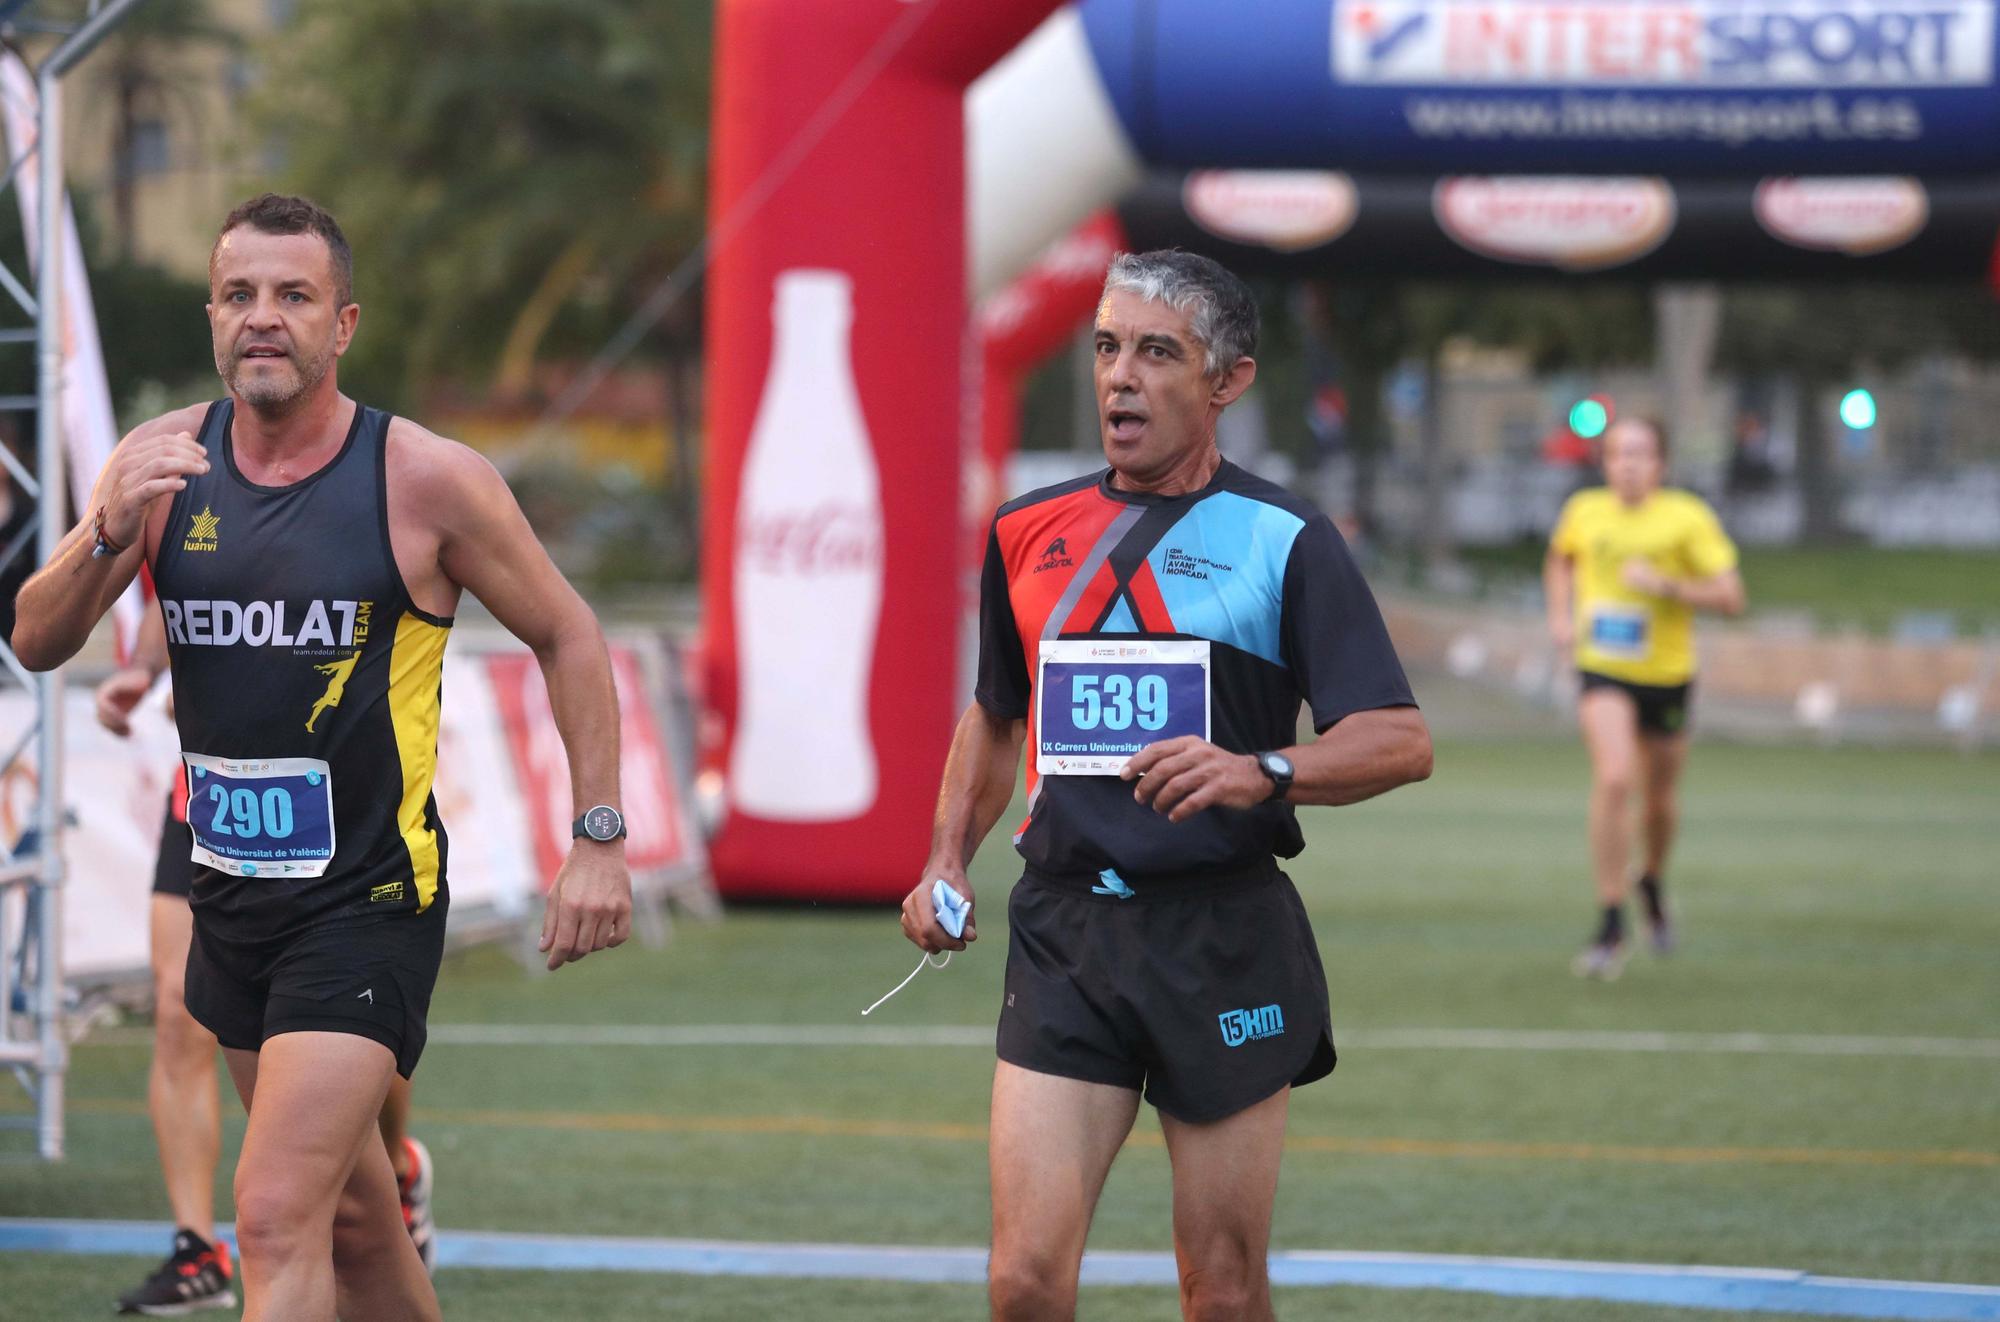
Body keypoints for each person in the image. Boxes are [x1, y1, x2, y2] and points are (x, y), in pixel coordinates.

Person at [13, 193, 633, 1322]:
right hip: (228, 897)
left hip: (366, 902)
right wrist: (107, 528)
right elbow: (36, 637)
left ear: (341, 323)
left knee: (275, 1212)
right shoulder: (159, 466)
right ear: (212, 314)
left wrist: (597, 836)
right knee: (354, 1220)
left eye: (291, 296)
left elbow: (569, 632)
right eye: (240, 294)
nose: (263, 318)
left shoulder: (425, 478)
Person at [900, 250, 1432, 1322]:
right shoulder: (1021, 531)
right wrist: (944, 858)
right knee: (1022, 1283)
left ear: (1225, 380)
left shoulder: (1286, 540)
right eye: (1104, 349)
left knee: (1222, 1291)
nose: (1118, 378)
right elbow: (998, 714)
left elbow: (1397, 737)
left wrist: (1261, 769)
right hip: (1065, 934)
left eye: (1154, 352)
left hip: (1222, 936)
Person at [93, 604, 438, 1315]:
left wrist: (596, 831)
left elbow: (561, 627)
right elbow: (170, 583)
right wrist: (142, 669)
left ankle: (394, 1162)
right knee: (173, 1010)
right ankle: (195, 1245)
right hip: (208, 800)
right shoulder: (167, 494)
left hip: (350, 829)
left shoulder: (388, 497)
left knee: (292, 1209)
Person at [1544, 416, 1745, 979]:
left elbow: (1732, 595)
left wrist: (1668, 586)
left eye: (1639, 453)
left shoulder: (1687, 518)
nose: (1627, 463)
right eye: (1616, 454)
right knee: (1614, 779)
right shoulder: (1585, 511)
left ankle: (1650, 878)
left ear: (1659, 462)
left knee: (1659, 801)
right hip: (1603, 668)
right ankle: (1611, 919)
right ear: (1605, 463)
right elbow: (1560, 559)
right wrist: (1560, 616)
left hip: (1668, 675)